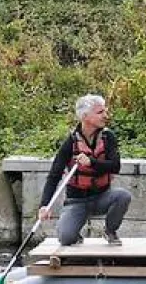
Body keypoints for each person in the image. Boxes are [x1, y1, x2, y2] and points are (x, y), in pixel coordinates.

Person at [38, 94, 132, 247]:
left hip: (102, 197)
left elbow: (115, 166)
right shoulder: (70, 142)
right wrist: (44, 205)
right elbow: (54, 176)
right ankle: (75, 233)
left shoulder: (108, 137)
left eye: (105, 111)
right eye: (100, 112)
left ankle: (110, 230)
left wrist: (91, 162)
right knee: (65, 238)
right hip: (77, 201)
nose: (105, 116)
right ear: (85, 116)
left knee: (123, 196)